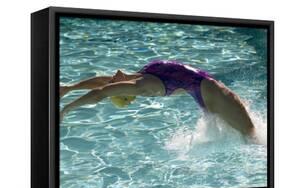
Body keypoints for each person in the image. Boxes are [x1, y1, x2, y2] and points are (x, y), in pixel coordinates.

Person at [60, 60, 255, 137]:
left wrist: (65, 110)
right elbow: (105, 84)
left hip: (212, 92)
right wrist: (70, 88)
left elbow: (101, 92)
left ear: (124, 92)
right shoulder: (143, 73)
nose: (133, 101)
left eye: (127, 100)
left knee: (252, 136)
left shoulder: (144, 87)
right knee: (245, 134)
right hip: (207, 93)